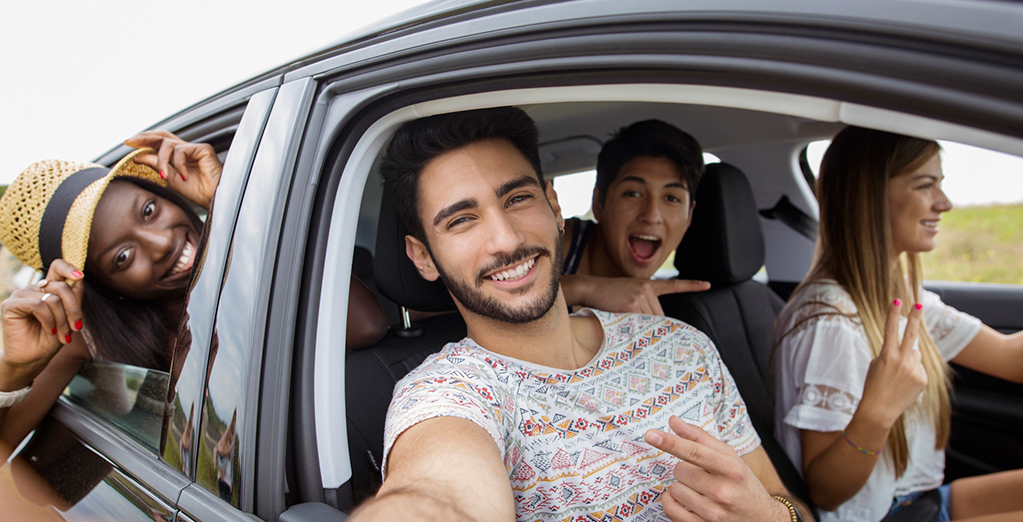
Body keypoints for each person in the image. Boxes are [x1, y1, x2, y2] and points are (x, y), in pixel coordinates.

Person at [352, 107, 811, 521]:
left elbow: (787, 504)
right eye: (461, 220)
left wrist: (772, 517)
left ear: (554, 207)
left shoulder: (682, 344)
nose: (507, 240)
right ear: (423, 257)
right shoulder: (449, 394)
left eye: (517, 199)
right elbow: (437, 494)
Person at [0, 131, 388, 449]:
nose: (160, 244)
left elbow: (365, 326)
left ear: (165, 193)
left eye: (148, 211)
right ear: (104, 287)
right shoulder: (84, 339)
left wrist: (233, 206)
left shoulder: (249, 252)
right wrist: (14, 370)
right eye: (122, 257)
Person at [772, 126, 1023, 521]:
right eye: (926, 186)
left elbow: (1012, 358)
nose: (944, 203)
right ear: (869, 198)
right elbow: (826, 492)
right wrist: (878, 411)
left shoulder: (897, 295)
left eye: (940, 185)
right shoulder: (832, 321)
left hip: (918, 502)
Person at [559, 119, 710, 315]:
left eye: (671, 198)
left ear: (689, 216)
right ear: (598, 203)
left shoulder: (670, 308)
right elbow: (506, 302)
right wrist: (584, 290)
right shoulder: (557, 244)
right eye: (633, 194)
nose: (652, 215)